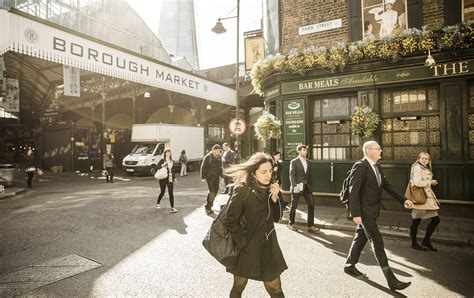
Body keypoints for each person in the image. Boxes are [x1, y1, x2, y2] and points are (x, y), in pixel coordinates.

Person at [344, 141, 414, 292]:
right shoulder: (360, 166)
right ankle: (392, 281)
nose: (381, 151)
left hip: (372, 211)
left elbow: (387, 185)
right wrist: (355, 213)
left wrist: (404, 200)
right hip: (364, 213)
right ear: (369, 150)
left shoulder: (377, 165)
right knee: (378, 243)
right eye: (378, 149)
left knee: (360, 237)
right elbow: (353, 191)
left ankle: (349, 265)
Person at [223, 153, 287, 297]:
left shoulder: (272, 188)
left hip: (269, 246)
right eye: (263, 172)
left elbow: (277, 218)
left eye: (270, 171)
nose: (268, 175)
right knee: (239, 286)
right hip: (247, 246)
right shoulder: (243, 189)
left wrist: (276, 198)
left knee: (275, 289)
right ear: (253, 172)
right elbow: (230, 219)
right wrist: (242, 243)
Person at [409, 152, 440, 251]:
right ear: (418, 159)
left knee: (435, 220)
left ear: (429, 160)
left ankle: (426, 241)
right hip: (421, 198)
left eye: (426, 159)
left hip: (427, 198)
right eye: (422, 158)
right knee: (416, 220)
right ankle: (414, 243)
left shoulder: (425, 168)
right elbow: (417, 183)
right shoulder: (418, 167)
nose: (424, 160)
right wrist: (430, 182)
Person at [288, 144, 319, 233]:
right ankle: (291, 223)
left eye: (306, 150)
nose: (305, 152)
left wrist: (310, 186)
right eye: (303, 150)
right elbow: (292, 175)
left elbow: (309, 175)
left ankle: (310, 226)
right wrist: (294, 186)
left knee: (311, 204)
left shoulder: (308, 162)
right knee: (294, 206)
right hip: (297, 187)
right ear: (299, 151)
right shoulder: (294, 161)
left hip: (306, 187)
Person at [201, 144, 223, 214]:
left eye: (219, 151)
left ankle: (209, 205)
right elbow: (203, 167)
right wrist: (203, 177)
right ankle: (208, 207)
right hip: (209, 177)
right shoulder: (208, 157)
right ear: (213, 150)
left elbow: (220, 167)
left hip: (216, 177)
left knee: (215, 191)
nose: (219, 152)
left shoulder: (219, 157)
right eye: (218, 151)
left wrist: (221, 176)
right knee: (212, 192)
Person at [155, 148, 178, 213]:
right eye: (167, 152)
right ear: (165, 153)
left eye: (169, 152)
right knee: (162, 192)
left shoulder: (172, 161)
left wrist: (174, 178)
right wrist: (163, 165)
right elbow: (157, 167)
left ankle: (172, 207)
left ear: (170, 153)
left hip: (170, 179)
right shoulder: (162, 160)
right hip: (163, 178)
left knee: (171, 193)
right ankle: (158, 203)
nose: (168, 153)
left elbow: (173, 170)